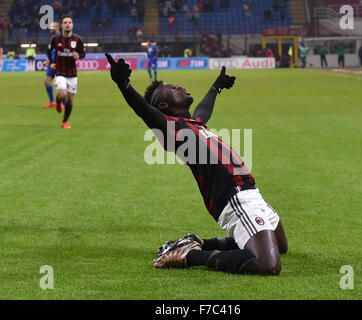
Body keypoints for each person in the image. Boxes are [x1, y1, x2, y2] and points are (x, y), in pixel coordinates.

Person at [105, 54, 288, 276]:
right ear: (164, 105)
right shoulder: (171, 130)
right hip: (235, 198)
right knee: (267, 264)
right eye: (172, 88)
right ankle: (189, 256)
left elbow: (203, 110)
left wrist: (216, 87)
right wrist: (124, 86)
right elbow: (145, 111)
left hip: (252, 193)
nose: (179, 86)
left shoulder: (192, 124)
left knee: (280, 247)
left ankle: (198, 243)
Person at [47, 14, 85, 129]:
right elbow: (49, 50)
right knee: (63, 94)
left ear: (72, 25)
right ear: (62, 25)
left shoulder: (78, 39)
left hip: (72, 73)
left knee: (70, 99)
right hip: (59, 71)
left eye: (69, 22)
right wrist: (51, 61)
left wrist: (78, 55)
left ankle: (65, 121)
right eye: (65, 22)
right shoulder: (56, 39)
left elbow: (83, 53)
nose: (67, 24)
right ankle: (58, 102)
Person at [43, 22, 63, 109]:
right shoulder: (52, 37)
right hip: (52, 63)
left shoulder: (59, 37)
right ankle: (52, 101)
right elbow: (51, 50)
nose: (50, 28)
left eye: (52, 27)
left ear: (57, 28)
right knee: (47, 81)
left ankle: (64, 103)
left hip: (59, 63)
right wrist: (49, 59)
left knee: (60, 84)